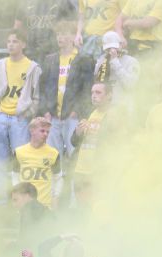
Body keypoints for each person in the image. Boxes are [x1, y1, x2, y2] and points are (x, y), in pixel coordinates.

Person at [0, 30, 42, 206]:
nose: (10, 44)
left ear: (23, 44)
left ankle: (22, 201)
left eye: (15, 41)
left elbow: (36, 97)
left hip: (19, 120)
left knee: (20, 163)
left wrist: (27, 113)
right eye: (8, 41)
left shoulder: (33, 67)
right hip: (0, 117)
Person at [39, 21, 95, 161]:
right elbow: (42, 88)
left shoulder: (84, 60)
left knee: (74, 155)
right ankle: (56, 184)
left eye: (64, 34)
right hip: (52, 117)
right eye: (58, 34)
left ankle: (72, 184)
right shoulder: (49, 60)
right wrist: (46, 111)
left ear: (72, 37)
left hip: (72, 117)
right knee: (53, 158)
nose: (60, 38)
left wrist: (76, 111)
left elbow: (87, 89)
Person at [13, 117, 61, 209]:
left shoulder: (54, 153)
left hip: (45, 206)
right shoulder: (19, 152)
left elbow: (58, 178)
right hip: (25, 206)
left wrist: (55, 198)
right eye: (42, 131)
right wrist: (17, 198)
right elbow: (15, 176)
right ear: (32, 130)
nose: (45, 134)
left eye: (47, 132)